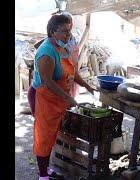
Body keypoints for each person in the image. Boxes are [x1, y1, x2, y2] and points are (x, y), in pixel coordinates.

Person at [27, 14, 94, 180]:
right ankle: (43, 175)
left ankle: (46, 168)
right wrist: (69, 98)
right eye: (64, 31)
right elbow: (47, 82)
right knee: (43, 137)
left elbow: (71, 71)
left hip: (56, 98)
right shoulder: (46, 53)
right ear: (52, 32)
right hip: (42, 98)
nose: (68, 35)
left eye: (69, 31)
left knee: (51, 136)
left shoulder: (61, 47)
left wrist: (86, 85)